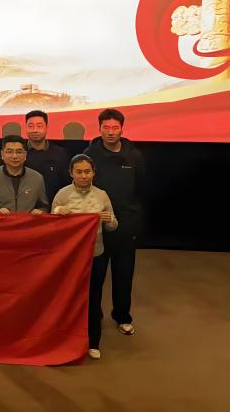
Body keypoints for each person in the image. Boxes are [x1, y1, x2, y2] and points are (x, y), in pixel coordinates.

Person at [85, 108, 146, 337]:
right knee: (95, 277)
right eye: (106, 127)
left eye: (115, 128)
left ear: (122, 129)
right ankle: (94, 316)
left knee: (123, 275)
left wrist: (134, 219)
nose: (110, 132)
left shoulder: (134, 156)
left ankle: (122, 317)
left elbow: (142, 189)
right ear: (99, 128)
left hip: (126, 226)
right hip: (97, 227)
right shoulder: (89, 155)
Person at [52, 154, 118, 360]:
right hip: (69, 257)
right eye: (79, 172)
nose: (83, 176)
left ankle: (93, 341)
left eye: (87, 171)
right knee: (68, 296)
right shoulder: (62, 194)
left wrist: (108, 220)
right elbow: (51, 225)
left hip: (95, 254)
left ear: (93, 173)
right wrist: (58, 212)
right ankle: (63, 339)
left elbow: (114, 225)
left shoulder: (101, 195)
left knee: (94, 297)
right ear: (71, 173)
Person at [0, 135, 49, 214]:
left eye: (19, 152)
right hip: (0, 221)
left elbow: (44, 206)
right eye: (9, 152)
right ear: (2, 154)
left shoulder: (37, 178)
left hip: (27, 221)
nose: (14, 156)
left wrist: (39, 211)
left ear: (25, 155)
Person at [24, 110, 70, 203]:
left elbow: (67, 184)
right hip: (24, 205)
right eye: (30, 126)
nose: (35, 130)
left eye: (39, 126)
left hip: (54, 205)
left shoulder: (60, 153)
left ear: (47, 127)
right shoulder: (19, 152)